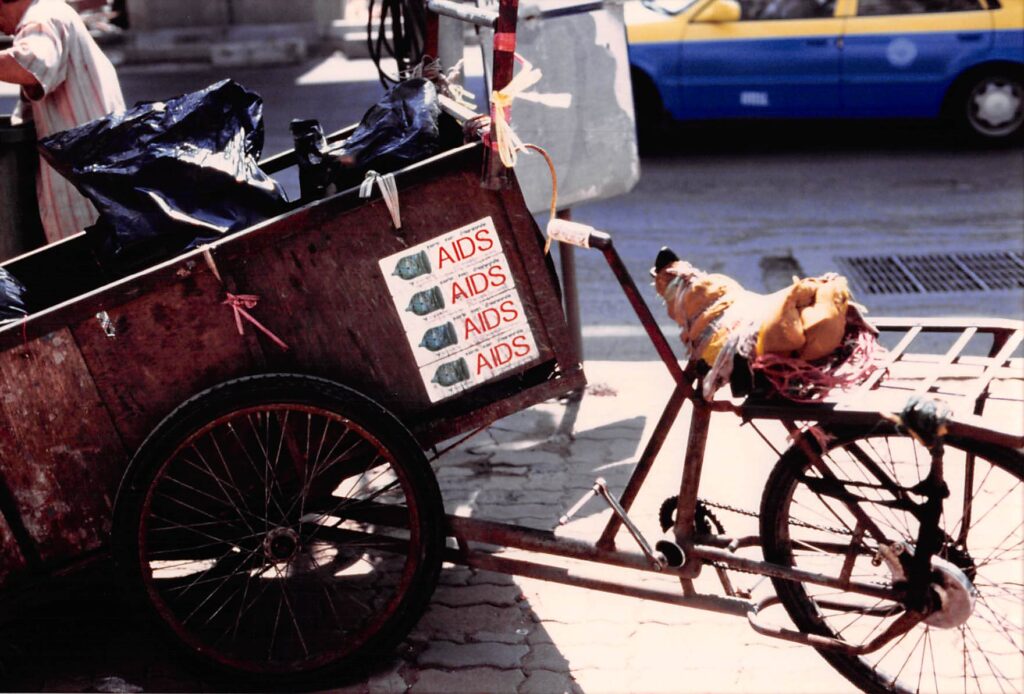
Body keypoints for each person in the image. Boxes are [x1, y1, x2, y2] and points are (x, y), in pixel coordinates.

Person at [0, 0, 123, 244]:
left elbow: (28, 65)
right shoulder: (53, 12)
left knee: (84, 268)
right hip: (97, 178)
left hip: (83, 188)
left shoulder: (42, 18)